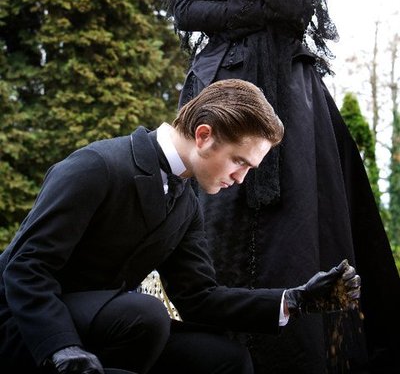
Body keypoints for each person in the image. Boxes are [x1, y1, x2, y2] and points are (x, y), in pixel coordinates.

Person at [161, 0, 400, 374]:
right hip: (213, 91)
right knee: (212, 223)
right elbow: (185, 10)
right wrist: (254, 9)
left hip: (290, 99)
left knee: (297, 229)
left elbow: (296, 5)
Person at [0, 79, 361, 374]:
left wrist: (295, 299)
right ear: (204, 135)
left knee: (225, 359)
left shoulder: (185, 203)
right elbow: (25, 267)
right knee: (146, 315)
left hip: (115, 330)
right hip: (32, 329)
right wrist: (61, 346)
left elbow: (198, 297)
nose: (241, 178)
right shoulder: (96, 166)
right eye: (239, 161)